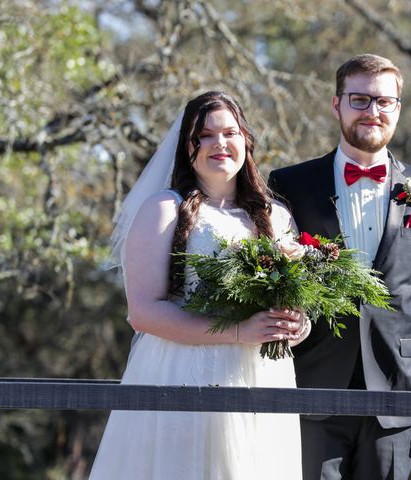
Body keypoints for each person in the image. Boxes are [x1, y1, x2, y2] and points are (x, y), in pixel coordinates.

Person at [89, 91, 309, 480]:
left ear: (246, 140)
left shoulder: (278, 217)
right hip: (182, 372)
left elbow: (296, 306)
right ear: (187, 147)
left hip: (260, 375)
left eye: (229, 132)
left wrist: (296, 325)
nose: (219, 144)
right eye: (204, 135)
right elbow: (143, 313)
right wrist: (239, 332)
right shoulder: (163, 210)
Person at [268, 54, 411, 479]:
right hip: (312, 385)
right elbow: (273, 281)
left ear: (398, 109)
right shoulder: (289, 184)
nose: (372, 112)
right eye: (359, 99)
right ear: (336, 104)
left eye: (384, 102)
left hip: (400, 394)